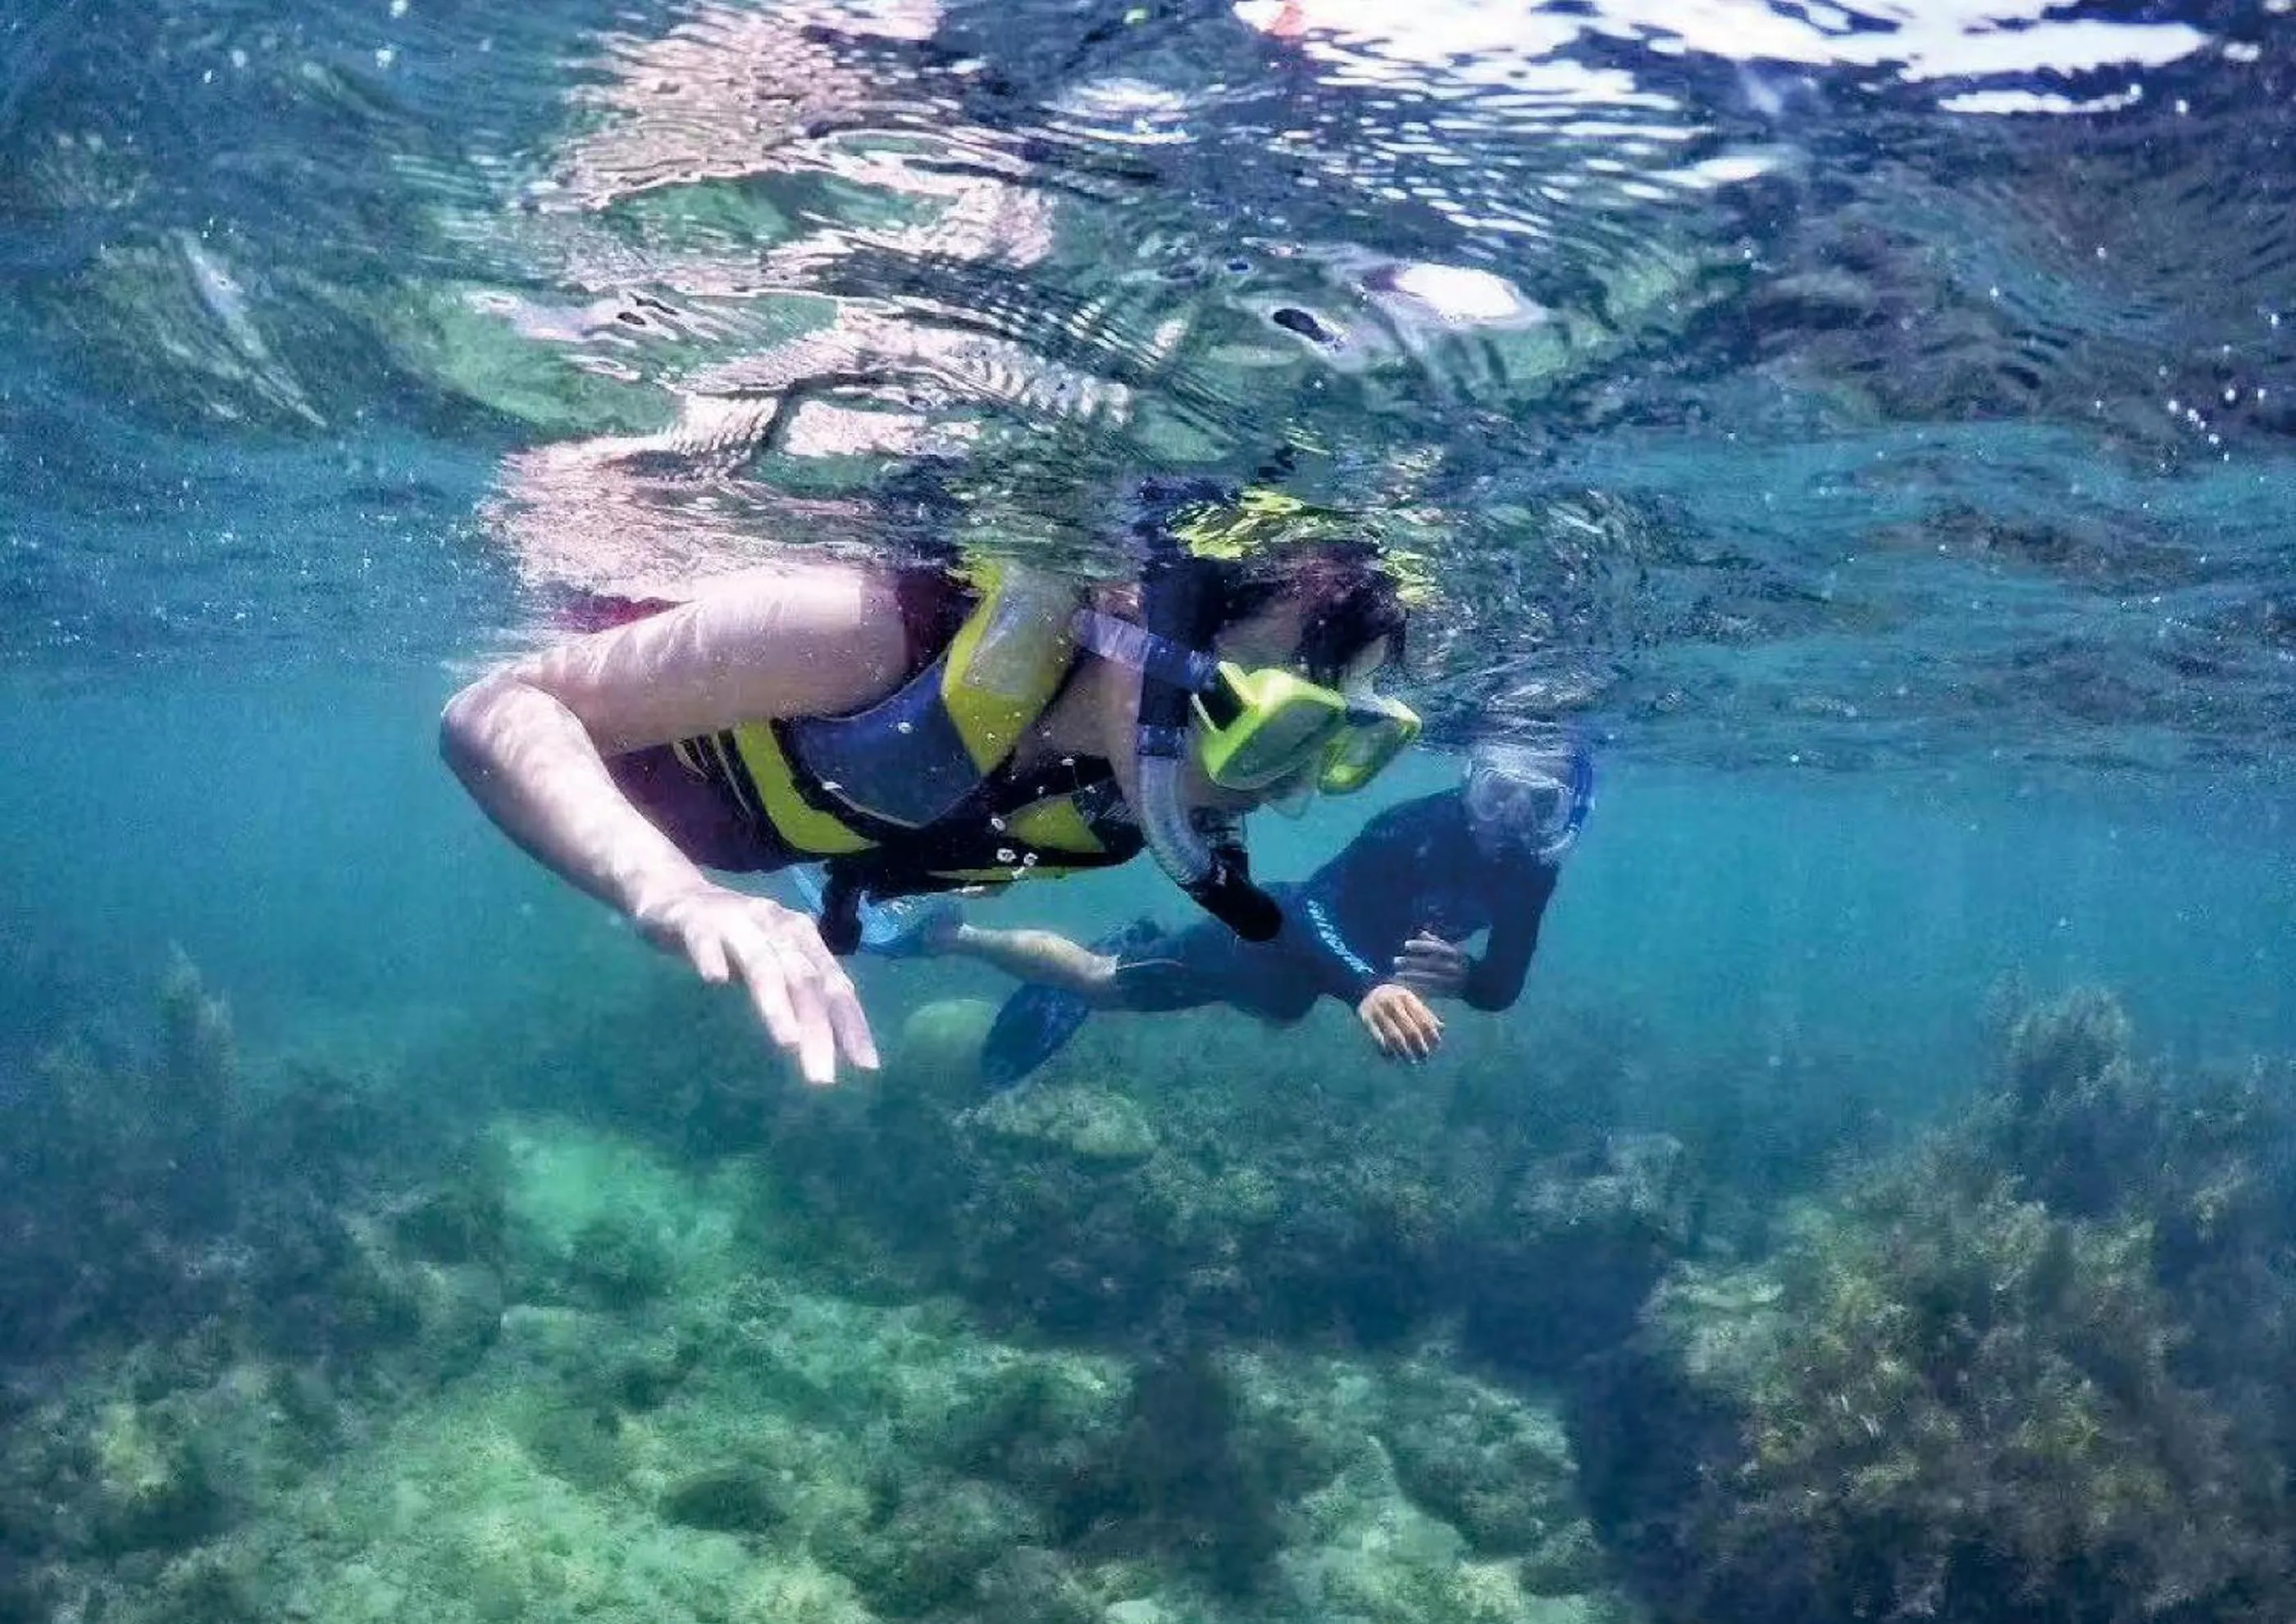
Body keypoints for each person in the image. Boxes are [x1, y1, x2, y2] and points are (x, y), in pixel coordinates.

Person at [440, 481, 1422, 1086]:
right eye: (1280, 724)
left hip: (808, 849)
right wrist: (674, 895)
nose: (1288, 787)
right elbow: (493, 708)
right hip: (634, 773)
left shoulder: (1120, 800)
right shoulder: (869, 631)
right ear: (1141, 625)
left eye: (1344, 745)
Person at [925, 733, 1593, 1087]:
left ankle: (1146, 937)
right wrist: (1370, 986)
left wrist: (1469, 978)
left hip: (1309, 987)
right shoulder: (1413, 827)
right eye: (1497, 791)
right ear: (1471, 781)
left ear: (1566, 811)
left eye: (1537, 803)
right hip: (1269, 938)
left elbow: (1503, 985)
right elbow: (1307, 908)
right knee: (1098, 982)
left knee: (1278, 1011)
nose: (1507, 817)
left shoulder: (1532, 873)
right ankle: (957, 934)